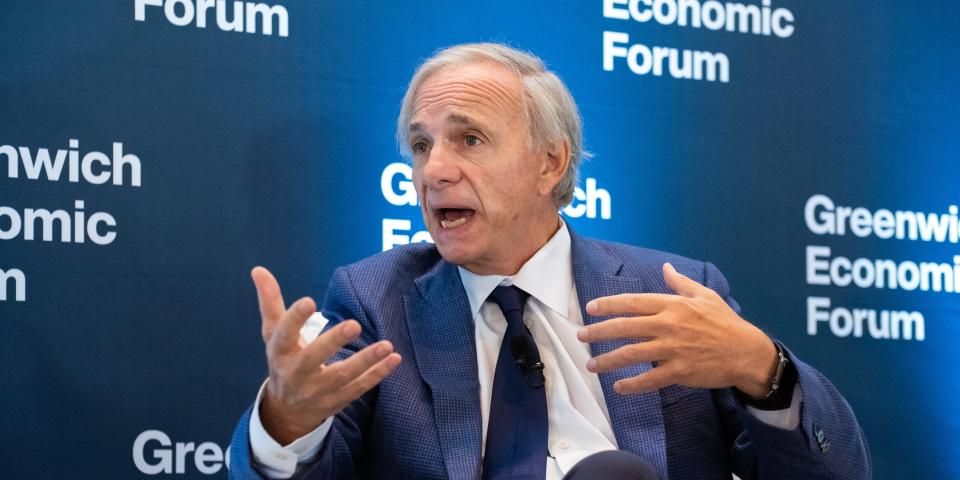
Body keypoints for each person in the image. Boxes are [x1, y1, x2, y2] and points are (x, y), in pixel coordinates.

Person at [229, 43, 871, 479]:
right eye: (421, 146)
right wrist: (288, 419)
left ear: (550, 163)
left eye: (469, 139)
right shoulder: (376, 298)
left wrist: (764, 369)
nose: (433, 171)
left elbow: (836, 470)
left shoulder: (672, 291)